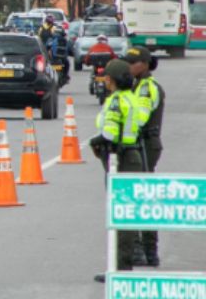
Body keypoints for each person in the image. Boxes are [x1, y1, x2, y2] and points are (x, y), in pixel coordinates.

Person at [90, 57, 143, 282]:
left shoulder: (114, 101)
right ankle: (124, 265)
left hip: (118, 159)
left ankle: (119, 269)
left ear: (110, 80)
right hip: (133, 155)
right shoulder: (133, 98)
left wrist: (95, 141)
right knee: (127, 215)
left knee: (118, 216)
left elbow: (110, 133)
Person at [125, 46, 164, 267]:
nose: (129, 66)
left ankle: (144, 250)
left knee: (140, 196)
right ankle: (146, 250)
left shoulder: (147, 88)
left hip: (146, 144)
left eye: (133, 62)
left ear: (145, 64)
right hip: (141, 144)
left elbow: (139, 118)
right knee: (140, 195)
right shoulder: (137, 85)